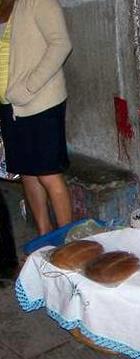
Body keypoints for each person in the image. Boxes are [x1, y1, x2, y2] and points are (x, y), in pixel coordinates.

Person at [0, 0, 73, 236]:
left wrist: (29, 87)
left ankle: (68, 242)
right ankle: (44, 234)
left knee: (48, 173)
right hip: (9, 105)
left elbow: (61, 45)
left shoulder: (38, 2)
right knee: (28, 173)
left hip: (41, 101)